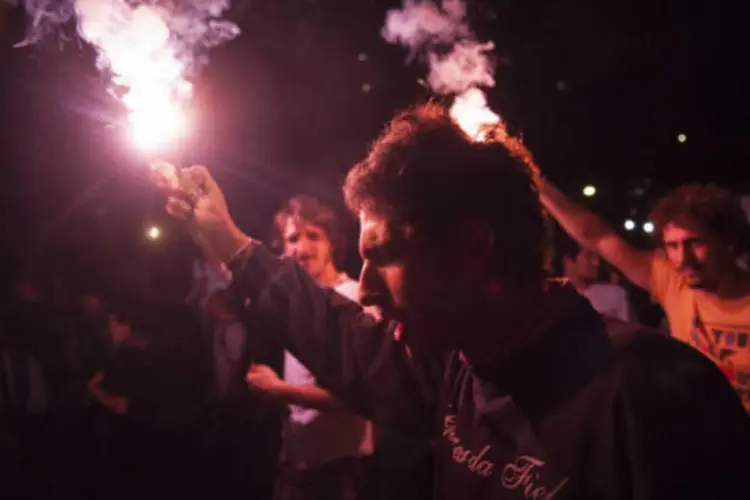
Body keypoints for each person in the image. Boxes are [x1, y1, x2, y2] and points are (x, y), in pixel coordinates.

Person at [153, 103, 750, 499]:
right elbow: (341, 337)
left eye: (383, 255)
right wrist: (228, 244)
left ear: (470, 246)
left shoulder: (656, 397)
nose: (363, 288)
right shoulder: (458, 367)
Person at [541, 181, 750, 411]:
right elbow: (597, 237)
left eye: (696, 243)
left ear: (729, 241)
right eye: (672, 246)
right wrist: (535, 179)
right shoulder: (672, 281)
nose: (683, 258)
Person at [245, 195, 375, 500]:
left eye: (313, 236)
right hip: (297, 468)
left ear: (332, 243)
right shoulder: (296, 305)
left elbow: (356, 398)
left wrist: (278, 390)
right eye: (293, 238)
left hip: (339, 473)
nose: (302, 249)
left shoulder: (353, 298)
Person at [557, 233, 634, 322]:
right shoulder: (554, 297)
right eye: (589, 256)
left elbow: (628, 332)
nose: (596, 263)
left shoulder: (614, 295)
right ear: (569, 260)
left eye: (598, 256)